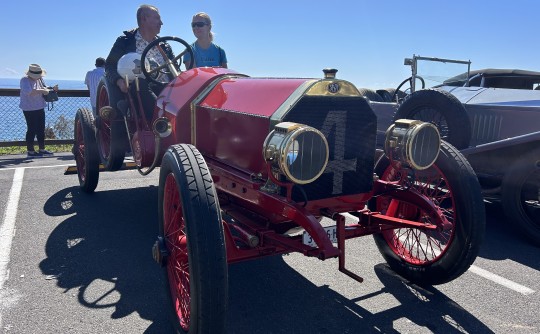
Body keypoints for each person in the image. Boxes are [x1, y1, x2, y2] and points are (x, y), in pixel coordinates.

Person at [105, 4, 176, 121]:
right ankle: (162, 121)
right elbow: (109, 66)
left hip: (167, 89)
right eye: (157, 18)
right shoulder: (125, 41)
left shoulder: (164, 46)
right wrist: (119, 81)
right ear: (144, 19)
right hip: (139, 89)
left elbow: (175, 70)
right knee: (140, 82)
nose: (161, 23)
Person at [19, 64, 57, 158]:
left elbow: (44, 87)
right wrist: (42, 91)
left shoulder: (39, 79)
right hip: (29, 108)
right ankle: (30, 150)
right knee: (31, 129)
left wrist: (52, 89)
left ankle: (42, 149)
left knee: (41, 128)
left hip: (40, 106)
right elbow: (29, 92)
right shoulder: (24, 80)